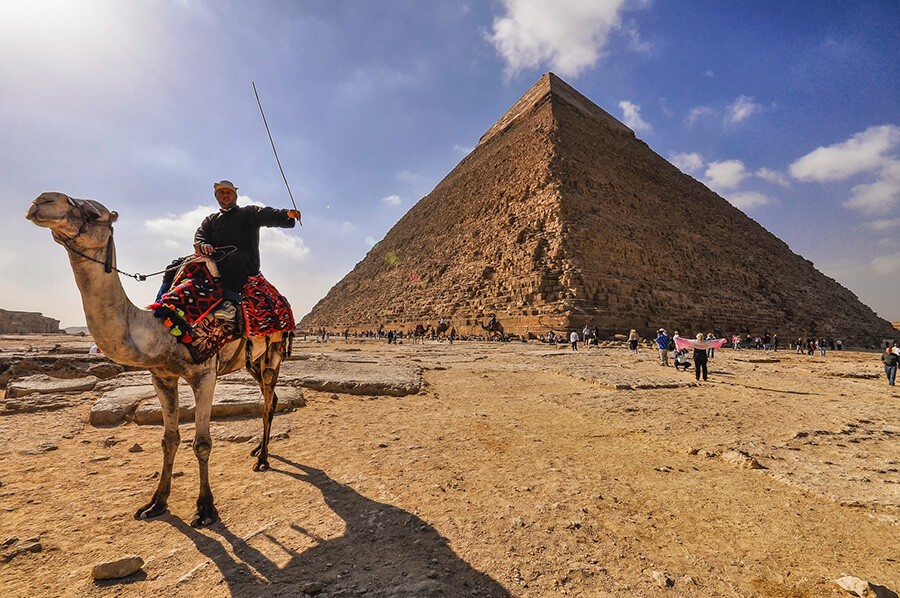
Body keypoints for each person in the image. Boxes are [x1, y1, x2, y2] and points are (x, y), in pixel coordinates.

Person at [194, 180, 300, 320]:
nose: (225, 195)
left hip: (244, 262)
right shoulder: (210, 220)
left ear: (235, 196)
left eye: (229, 192)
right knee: (178, 264)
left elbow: (268, 214)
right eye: (222, 193)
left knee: (235, 257)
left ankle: (230, 303)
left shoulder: (248, 213)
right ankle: (162, 304)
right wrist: (203, 245)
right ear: (216, 196)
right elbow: (200, 236)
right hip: (215, 261)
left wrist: (287, 214)